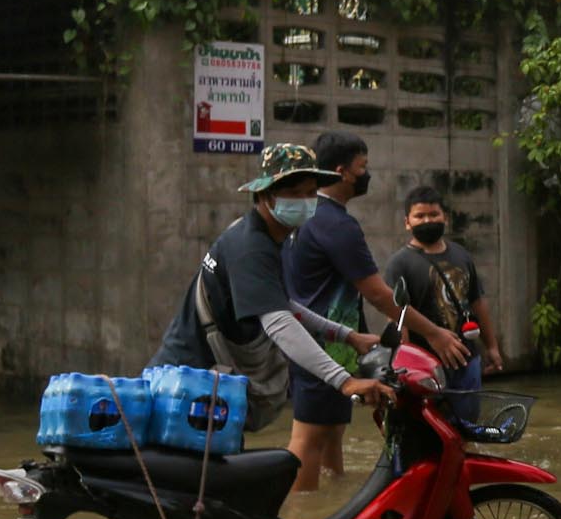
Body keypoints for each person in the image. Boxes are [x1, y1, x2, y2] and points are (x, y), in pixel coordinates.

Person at [150, 143, 388, 449]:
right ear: (265, 195)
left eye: (310, 193)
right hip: (186, 385)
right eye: (294, 193)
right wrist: (345, 380)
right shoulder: (250, 245)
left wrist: (347, 336)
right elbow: (279, 324)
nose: (305, 202)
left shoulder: (272, 238)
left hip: (208, 384)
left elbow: (282, 305)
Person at [283, 131, 467, 492]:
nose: (367, 174)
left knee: (332, 433)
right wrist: (433, 332)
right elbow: (380, 295)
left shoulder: (308, 217)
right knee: (308, 437)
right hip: (320, 346)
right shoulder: (335, 224)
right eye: (362, 167)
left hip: (336, 342)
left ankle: (332, 502)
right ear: (341, 171)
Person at [383, 187, 504, 416]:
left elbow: (477, 302)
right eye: (420, 216)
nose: (427, 220)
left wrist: (492, 346)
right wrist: (406, 365)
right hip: (425, 368)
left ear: (445, 218)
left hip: (466, 360)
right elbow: (398, 315)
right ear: (407, 222)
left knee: (465, 429)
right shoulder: (399, 263)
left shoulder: (462, 255)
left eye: (433, 215)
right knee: (427, 429)